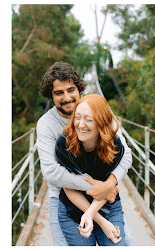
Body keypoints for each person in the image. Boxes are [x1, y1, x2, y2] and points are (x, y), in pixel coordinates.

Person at [36, 62, 132, 245]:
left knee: (125, 242)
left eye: (71, 89)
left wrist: (108, 185)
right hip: (66, 200)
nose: (67, 97)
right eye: (58, 93)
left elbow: (125, 154)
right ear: (51, 96)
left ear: (79, 88)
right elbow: (52, 172)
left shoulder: (101, 111)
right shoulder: (46, 125)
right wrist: (95, 187)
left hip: (105, 199)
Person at [55, 94, 127, 245]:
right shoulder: (64, 143)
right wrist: (99, 221)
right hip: (73, 209)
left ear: (102, 122)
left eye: (88, 120)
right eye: (78, 117)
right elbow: (68, 186)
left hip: (107, 205)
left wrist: (91, 215)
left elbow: (107, 188)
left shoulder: (114, 145)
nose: (81, 125)